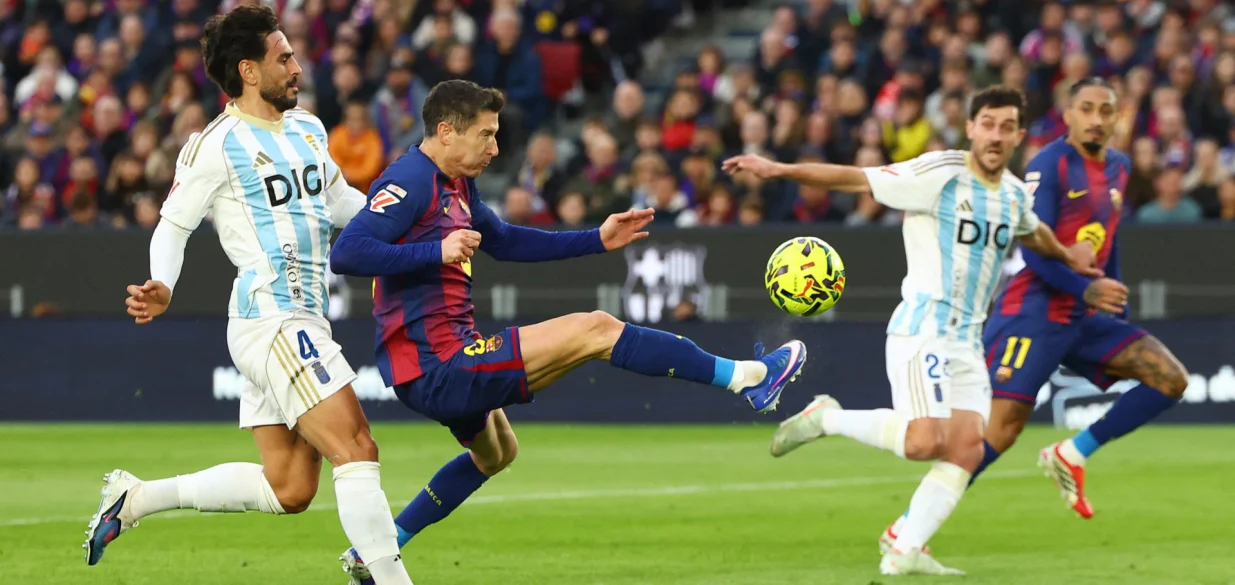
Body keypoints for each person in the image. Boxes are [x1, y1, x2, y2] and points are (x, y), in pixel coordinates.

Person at [328, 79, 808, 584]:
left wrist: (596, 240)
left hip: (438, 363)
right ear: (446, 132)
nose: (495, 147)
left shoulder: (454, 183)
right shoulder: (407, 181)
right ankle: (747, 378)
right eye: (486, 135)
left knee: (496, 453)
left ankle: (377, 550)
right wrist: (437, 251)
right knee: (597, 329)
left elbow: (507, 241)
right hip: (438, 362)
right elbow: (349, 253)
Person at [86, 5, 416, 585]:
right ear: (249, 70)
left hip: (302, 318)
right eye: (283, 57)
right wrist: (164, 283)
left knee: (289, 489)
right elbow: (174, 224)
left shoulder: (310, 128)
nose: (296, 66)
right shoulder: (216, 143)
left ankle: (135, 499)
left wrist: (404, 228)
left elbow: (342, 206)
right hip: (272, 317)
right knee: (357, 446)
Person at [723, 86, 1101, 576]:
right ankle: (826, 418)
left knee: (967, 449)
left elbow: (1034, 231)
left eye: (1007, 127)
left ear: (1018, 136)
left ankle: (906, 549)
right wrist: (781, 170)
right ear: (971, 127)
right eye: (987, 123)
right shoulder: (939, 174)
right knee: (925, 442)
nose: (996, 134)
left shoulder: (1010, 193)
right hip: (924, 328)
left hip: (968, 339)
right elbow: (856, 179)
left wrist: (1069, 255)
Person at [877, 77, 1188, 534]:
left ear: (1117, 116)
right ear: (1069, 113)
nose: (1097, 119)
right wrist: (1086, 291)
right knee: (997, 433)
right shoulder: (1050, 164)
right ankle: (907, 528)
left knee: (1169, 379)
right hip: (1034, 313)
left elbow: (1108, 239)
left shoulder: (1119, 168)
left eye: (1106, 111)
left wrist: (1111, 299)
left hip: (1084, 316)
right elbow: (1035, 251)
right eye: (1087, 109)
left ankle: (1072, 452)